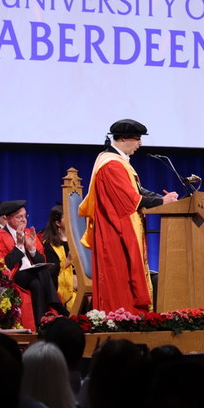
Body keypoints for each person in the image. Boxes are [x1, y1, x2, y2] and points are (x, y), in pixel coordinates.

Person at [78, 119, 178, 314]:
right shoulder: (111, 165)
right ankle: (123, 318)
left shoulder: (119, 162)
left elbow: (138, 190)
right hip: (115, 232)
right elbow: (129, 199)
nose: (140, 143)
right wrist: (161, 201)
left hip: (119, 228)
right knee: (121, 278)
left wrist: (163, 199)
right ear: (124, 138)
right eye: (137, 139)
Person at [0, 200, 66, 327]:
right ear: (7, 218)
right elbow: (5, 265)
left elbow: (42, 261)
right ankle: (56, 303)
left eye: (25, 216)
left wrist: (32, 248)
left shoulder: (29, 232)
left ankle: (40, 323)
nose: (23, 220)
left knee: (36, 283)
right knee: (41, 272)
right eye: (19, 217)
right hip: (15, 276)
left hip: (33, 275)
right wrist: (20, 246)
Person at [40, 205, 75, 312]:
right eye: (67, 218)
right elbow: (51, 272)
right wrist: (68, 261)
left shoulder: (77, 239)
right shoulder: (49, 244)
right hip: (60, 284)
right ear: (58, 223)